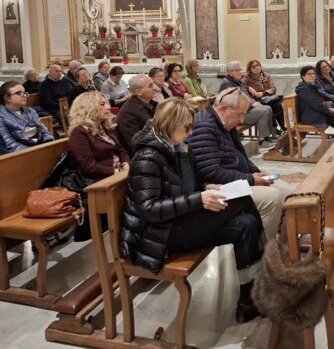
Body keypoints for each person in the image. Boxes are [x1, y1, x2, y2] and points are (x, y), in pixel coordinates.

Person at [120, 98, 264, 323]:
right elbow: (149, 209)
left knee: (247, 224)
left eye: (192, 127)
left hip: (179, 221)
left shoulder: (178, 146)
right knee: (242, 198)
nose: (190, 133)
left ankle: (249, 301)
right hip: (159, 236)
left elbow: (185, 185)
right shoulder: (148, 156)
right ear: (170, 124)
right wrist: (199, 199)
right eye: (187, 127)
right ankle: (271, 273)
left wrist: (205, 188)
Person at [187, 88, 294, 238]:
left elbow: (240, 154)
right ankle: (263, 247)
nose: (242, 120)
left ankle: (284, 243)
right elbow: (212, 173)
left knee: (289, 193)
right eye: (240, 114)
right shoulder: (204, 127)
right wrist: (251, 179)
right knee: (272, 197)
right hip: (219, 187)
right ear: (223, 109)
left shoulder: (224, 122)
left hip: (238, 178)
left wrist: (255, 171)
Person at [68, 91, 130, 241]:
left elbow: (121, 150)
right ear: (88, 107)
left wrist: (126, 163)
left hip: (117, 175)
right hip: (99, 182)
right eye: (102, 104)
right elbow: (88, 167)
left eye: (107, 103)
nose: (108, 107)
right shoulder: (79, 133)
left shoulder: (104, 128)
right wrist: (116, 171)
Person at [219, 61, 275, 149]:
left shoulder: (237, 81)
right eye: (237, 70)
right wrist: (252, 105)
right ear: (230, 72)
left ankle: (268, 137)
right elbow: (235, 102)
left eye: (239, 69)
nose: (240, 72)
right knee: (264, 111)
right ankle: (262, 140)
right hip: (235, 115)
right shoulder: (227, 84)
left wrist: (253, 98)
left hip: (244, 109)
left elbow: (246, 95)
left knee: (268, 108)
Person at [0, 81, 54, 155]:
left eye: (24, 93)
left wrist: (50, 143)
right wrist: (35, 152)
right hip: (16, 156)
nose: (24, 96)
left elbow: (44, 130)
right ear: (7, 98)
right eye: (19, 93)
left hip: (38, 149)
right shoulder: (1, 116)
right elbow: (10, 144)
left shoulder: (30, 111)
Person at [295, 66, 334, 136]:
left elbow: (322, 99)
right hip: (312, 116)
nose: (312, 76)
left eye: (313, 73)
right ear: (303, 76)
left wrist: (330, 107)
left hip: (317, 112)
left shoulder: (310, 86)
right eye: (309, 74)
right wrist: (330, 112)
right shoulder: (305, 89)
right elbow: (317, 105)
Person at [116, 74, 157, 155]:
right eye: (150, 86)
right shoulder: (128, 113)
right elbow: (136, 143)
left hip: (155, 146)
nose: (155, 88)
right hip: (143, 154)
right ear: (139, 92)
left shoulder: (151, 104)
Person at [244, 59, 285, 134]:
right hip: (256, 100)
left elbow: (273, 89)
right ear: (249, 69)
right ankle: (274, 129)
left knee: (278, 105)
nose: (256, 68)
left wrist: (263, 93)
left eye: (257, 65)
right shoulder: (247, 77)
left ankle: (282, 127)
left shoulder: (264, 76)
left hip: (267, 98)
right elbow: (241, 85)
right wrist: (249, 87)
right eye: (253, 67)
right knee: (269, 106)